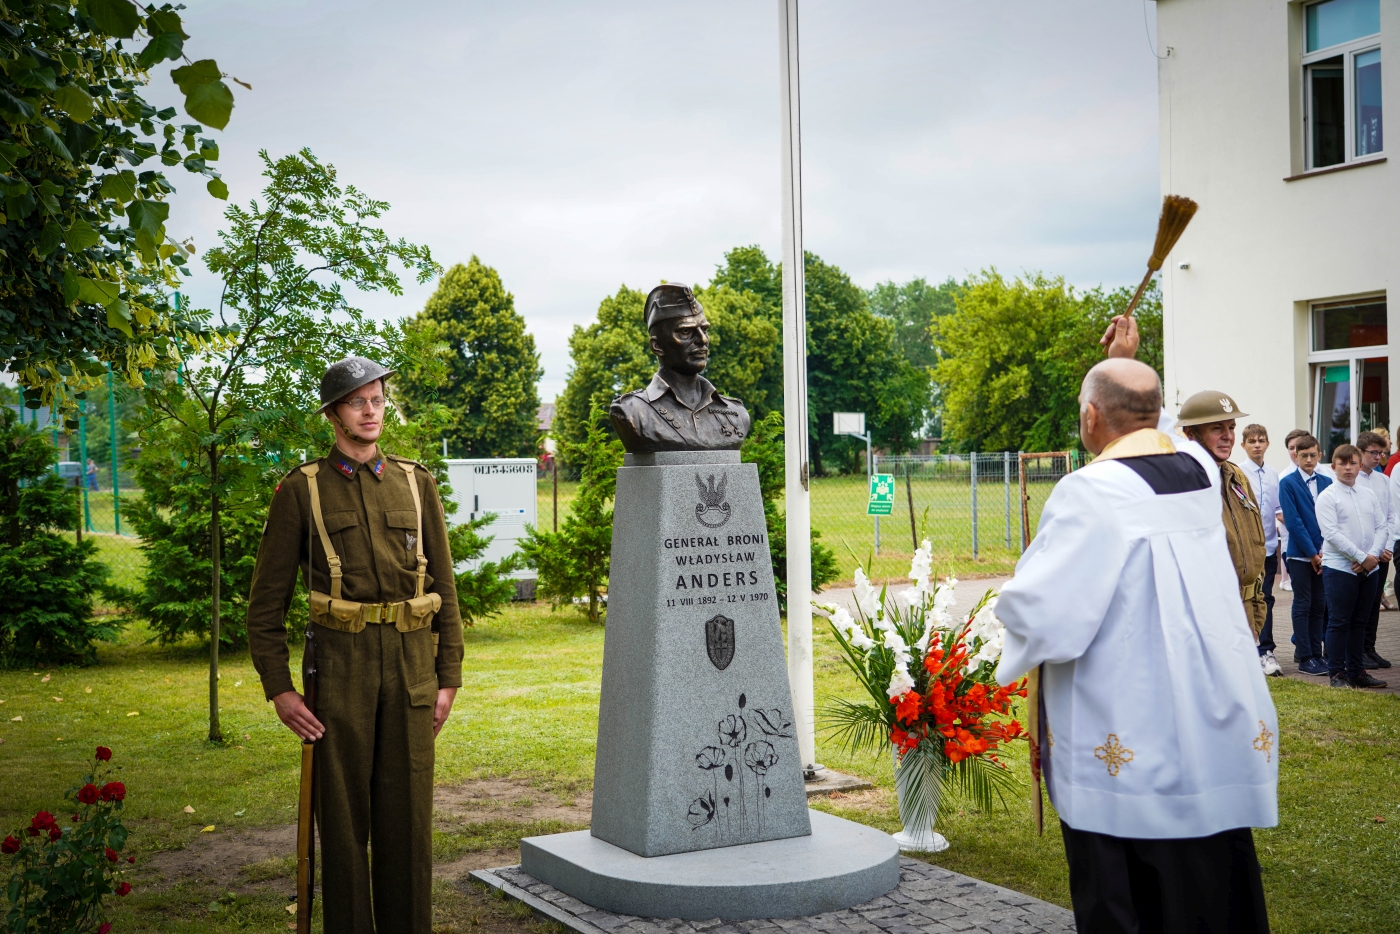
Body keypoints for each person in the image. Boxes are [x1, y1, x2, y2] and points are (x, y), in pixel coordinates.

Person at [996, 314, 1276, 933]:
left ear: (1090, 416)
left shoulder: (1088, 492)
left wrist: (1007, 610)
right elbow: (1156, 427)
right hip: (1206, 715)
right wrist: (1126, 360)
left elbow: (1047, 615)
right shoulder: (1199, 475)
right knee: (1208, 886)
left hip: (1127, 721)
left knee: (1129, 894)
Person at [246, 356, 464, 934]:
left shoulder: (415, 483)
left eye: (377, 400)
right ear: (334, 415)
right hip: (340, 672)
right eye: (357, 402)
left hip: (412, 669)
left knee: (409, 823)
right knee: (342, 829)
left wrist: (448, 677)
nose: (371, 411)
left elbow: (444, 587)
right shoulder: (302, 490)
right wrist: (280, 690)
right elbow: (265, 606)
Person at [610, 283, 751, 453]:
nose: (703, 340)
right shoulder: (633, 412)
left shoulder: (736, 412)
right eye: (685, 332)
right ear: (657, 346)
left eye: (704, 330)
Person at [1177, 393, 1268, 642]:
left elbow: (1256, 547)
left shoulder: (1237, 477)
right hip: (1206, 618)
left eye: (1231, 427)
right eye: (1217, 428)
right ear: (1191, 433)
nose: (1228, 436)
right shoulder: (1182, 483)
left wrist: (1256, 613)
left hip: (1245, 613)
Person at [1315, 444, 1390, 689]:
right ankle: (1337, 673)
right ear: (1333, 466)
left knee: (1360, 621)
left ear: (1360, 465)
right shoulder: (1328, 496)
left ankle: (1357, 672)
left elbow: (1381, 527)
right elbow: (1331, 533)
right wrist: (1360, 557)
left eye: (1353, 463)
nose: (1348, 468)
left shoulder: (1368, 494)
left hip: (1370, 567)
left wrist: (1372, 556)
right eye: (1343, 463)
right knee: (1339, 621)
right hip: (1340, 568)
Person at [1279, 435, 1330, 676]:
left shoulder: (1327, 481)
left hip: (1324, 553)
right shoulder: (1288, 483)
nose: (1308, 459)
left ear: (1319, 455)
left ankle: (1317, 655)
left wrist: (1323, 551)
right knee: (1303, 604)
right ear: (1296, 456)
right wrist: (1311, 553)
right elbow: (1293, 521)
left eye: (1312, 455)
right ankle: (1305, 656)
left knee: (1319, 604)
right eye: (1303, 455)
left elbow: (1330, 518)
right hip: (1300, 555)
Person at [1241, 425, 1283, 676]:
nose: (1257, 445)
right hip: (1247, 550)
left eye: (1261, 440)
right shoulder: (1237, 472)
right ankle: (1248, 649)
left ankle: (1265, 650)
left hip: (1268, 547)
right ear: (1243, 445)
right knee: (1246, 600)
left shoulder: (1273, 473)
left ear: (1267, 444)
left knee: (1265, 598)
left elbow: (1278, 510)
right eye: (1252, 441)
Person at [1355, 432, 1395, 665]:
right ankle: (1358, 650)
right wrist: (1371, 551)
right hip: (1362, 553)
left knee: (1374, 603)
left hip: (1382, 552)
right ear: (1361, 452)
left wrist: (1386, 547)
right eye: (1373, 453)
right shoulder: (1353, 479)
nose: (1379, 457)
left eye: (1381, 453)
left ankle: (1370, 648)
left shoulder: (1383, 480)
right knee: (1360, 603)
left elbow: (1390, 516)